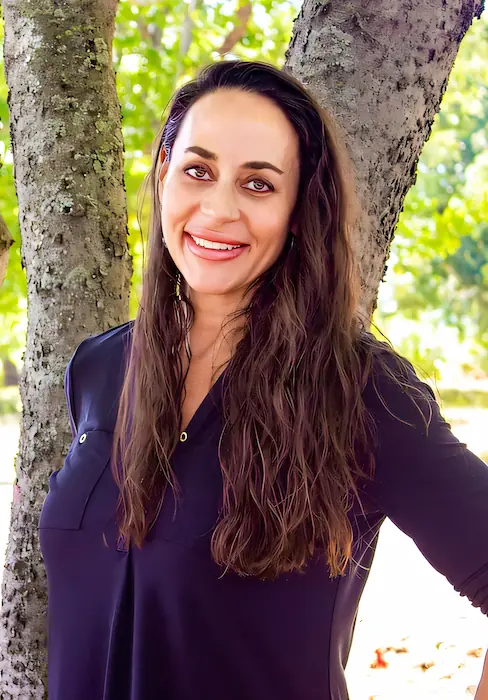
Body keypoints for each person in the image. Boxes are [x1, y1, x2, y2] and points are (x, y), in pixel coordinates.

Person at [39, 60, 488, 700]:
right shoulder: (99, 368)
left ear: (299, 210)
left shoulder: (361, 390)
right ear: (163, 174)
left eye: (257, 184)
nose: (218, 209)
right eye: (198, 171)